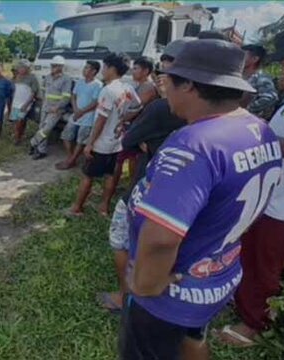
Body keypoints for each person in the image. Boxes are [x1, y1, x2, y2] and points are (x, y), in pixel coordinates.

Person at [120, 39, 282, 360]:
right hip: (217, 278)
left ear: (190, 87)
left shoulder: (194, 144)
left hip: (169, 295)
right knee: (192, 341)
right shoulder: (260, 129)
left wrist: (146, 285)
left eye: (169, 81)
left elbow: (162, 238)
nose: (164, 89)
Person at [220, 23, 284, 348]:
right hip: (272, 198)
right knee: (252, 256)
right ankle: (245, 306)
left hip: (283, 205)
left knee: (265, 263)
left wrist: (264, 135)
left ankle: (254, 324)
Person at [97, 39, 190, 314]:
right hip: (179, 191)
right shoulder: (213, 110)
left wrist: (145, 142)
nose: (161, 77)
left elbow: (130, 140)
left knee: (122, 237)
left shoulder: (162, 107)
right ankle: (154, 291)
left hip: (147, 182)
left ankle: (126, 297)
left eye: (166, 71)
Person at [66, 53, 139, 217]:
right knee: (111, 175)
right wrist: (122, 120)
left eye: (104, 67)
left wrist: (90, 143)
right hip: (117, 141)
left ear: (112, 69)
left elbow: (100, 120)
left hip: (102, 143)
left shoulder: (108, 90)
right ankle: (104, 208)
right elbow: (137, 105)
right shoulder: (127, 88)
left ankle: (76, 208)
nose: (103, 70)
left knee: (87, 175)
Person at [113, 57, 159, 190]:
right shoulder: (138, 85)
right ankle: (129, 186)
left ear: (146, 71)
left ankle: (128, 188)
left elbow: (135, 109)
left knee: (125, 158)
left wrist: (119, 121)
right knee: (130, 158)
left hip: (139, 127)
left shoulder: (149, 87)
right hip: (133, 125)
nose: (132, 71)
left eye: (136, 68)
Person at [56, 61, 102, 170]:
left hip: (88, 117)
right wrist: (76, 110)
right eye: (84, 67)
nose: (84, 70)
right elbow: (74, 96)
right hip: (76, 114)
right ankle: (71, 157)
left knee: (81, 140)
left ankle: (71, 161)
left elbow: (95, 102)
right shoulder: (80, 82)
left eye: (87, 68)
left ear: (93, 71)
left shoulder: (97, 85)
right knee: (66, 135)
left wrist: (81, 112)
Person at [29, 55, 72, 160]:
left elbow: (66, 97)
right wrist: (44, 103)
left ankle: (33, 142)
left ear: (61, 67)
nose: (53, 67)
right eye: (52, 65)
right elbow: (43, 91)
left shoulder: (66, 79)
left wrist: (57, 107)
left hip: (56, 110)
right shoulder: (47, 77)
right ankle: (41, 150)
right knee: (41, 128)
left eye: (56, 65)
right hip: (46, 107)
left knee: (46, 129)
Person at [240, 44, 279, 120]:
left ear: (255, 59)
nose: (238, 57)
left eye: (242, 55)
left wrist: (247, 110)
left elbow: (270, 97)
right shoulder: (238, 75)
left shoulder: (261, 77)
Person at [9, 59, 39, 145]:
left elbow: (33, 93)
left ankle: (17, 138)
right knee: (16, 121)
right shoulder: (17, 77)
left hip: (25, 103)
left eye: (22, 67)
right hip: (16, 103)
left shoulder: (32, 78)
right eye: (19, 67)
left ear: (27, 68)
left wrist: (26, 104)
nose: (19, 69)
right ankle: (19, 135)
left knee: (20, 120)